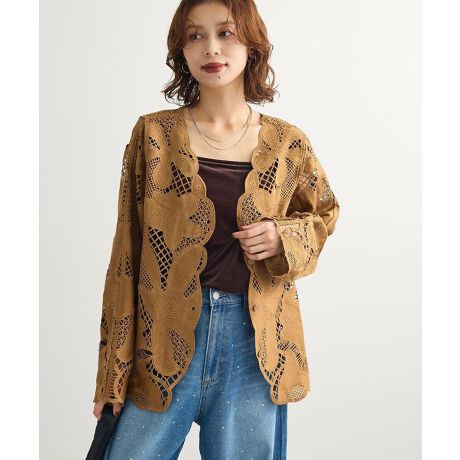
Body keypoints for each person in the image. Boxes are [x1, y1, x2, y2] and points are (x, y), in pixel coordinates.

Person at [91, 0, 340, 458]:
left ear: (251, 44)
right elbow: (125, 257)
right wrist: (112, 373)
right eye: (195, 35)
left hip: (253, 345)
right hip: (159, 342)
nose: (211, 47)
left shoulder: (288, 144)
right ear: (181, 49)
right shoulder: (153, 137)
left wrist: (283, 236)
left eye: (225, 33)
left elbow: (324, 214)